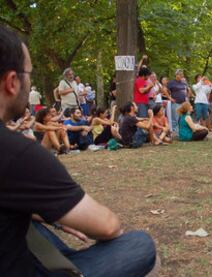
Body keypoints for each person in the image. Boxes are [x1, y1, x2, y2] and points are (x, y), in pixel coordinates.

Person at [0, 26, 158, 276]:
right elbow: (108, 227)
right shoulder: (17, 153)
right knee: (140, 244)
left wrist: (39, 212)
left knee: (28, 219)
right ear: (11, 82)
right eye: (28, 73)